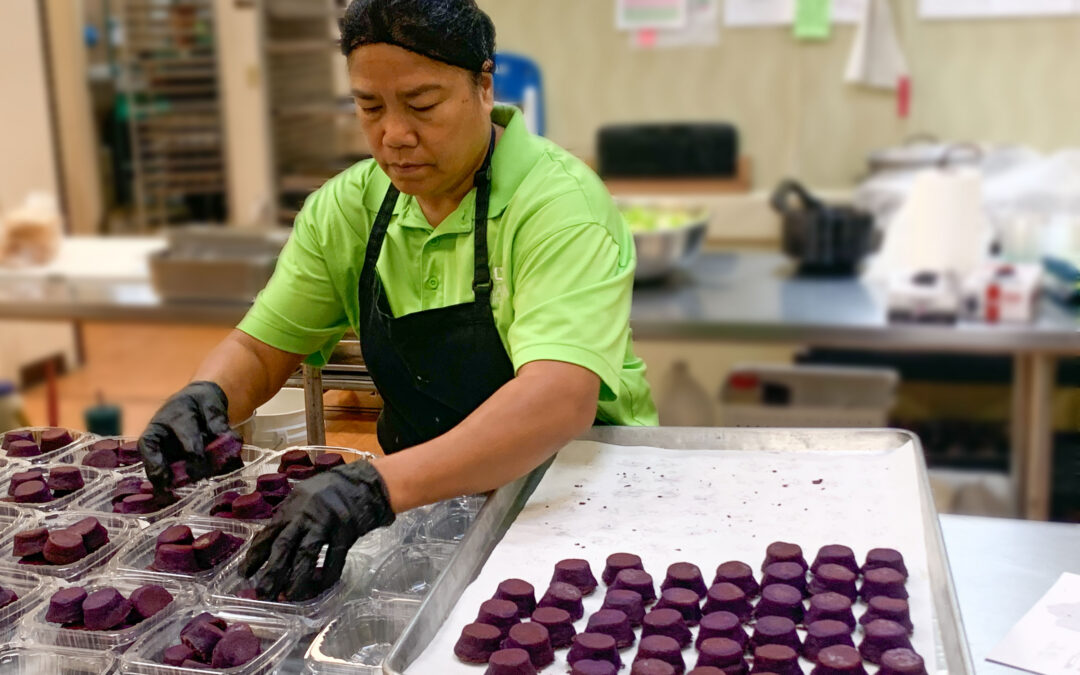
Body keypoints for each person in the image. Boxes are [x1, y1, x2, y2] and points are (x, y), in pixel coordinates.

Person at [138, 0, 657, 601]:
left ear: (483, 86)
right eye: (369, 107)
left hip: (578, 493)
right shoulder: (348, 207)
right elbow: (261, 349)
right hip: (428, 498)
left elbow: (557, 400)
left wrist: (373, 488)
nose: (394, 135)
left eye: (422, 104)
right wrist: (206, 396)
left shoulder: (557, 205)